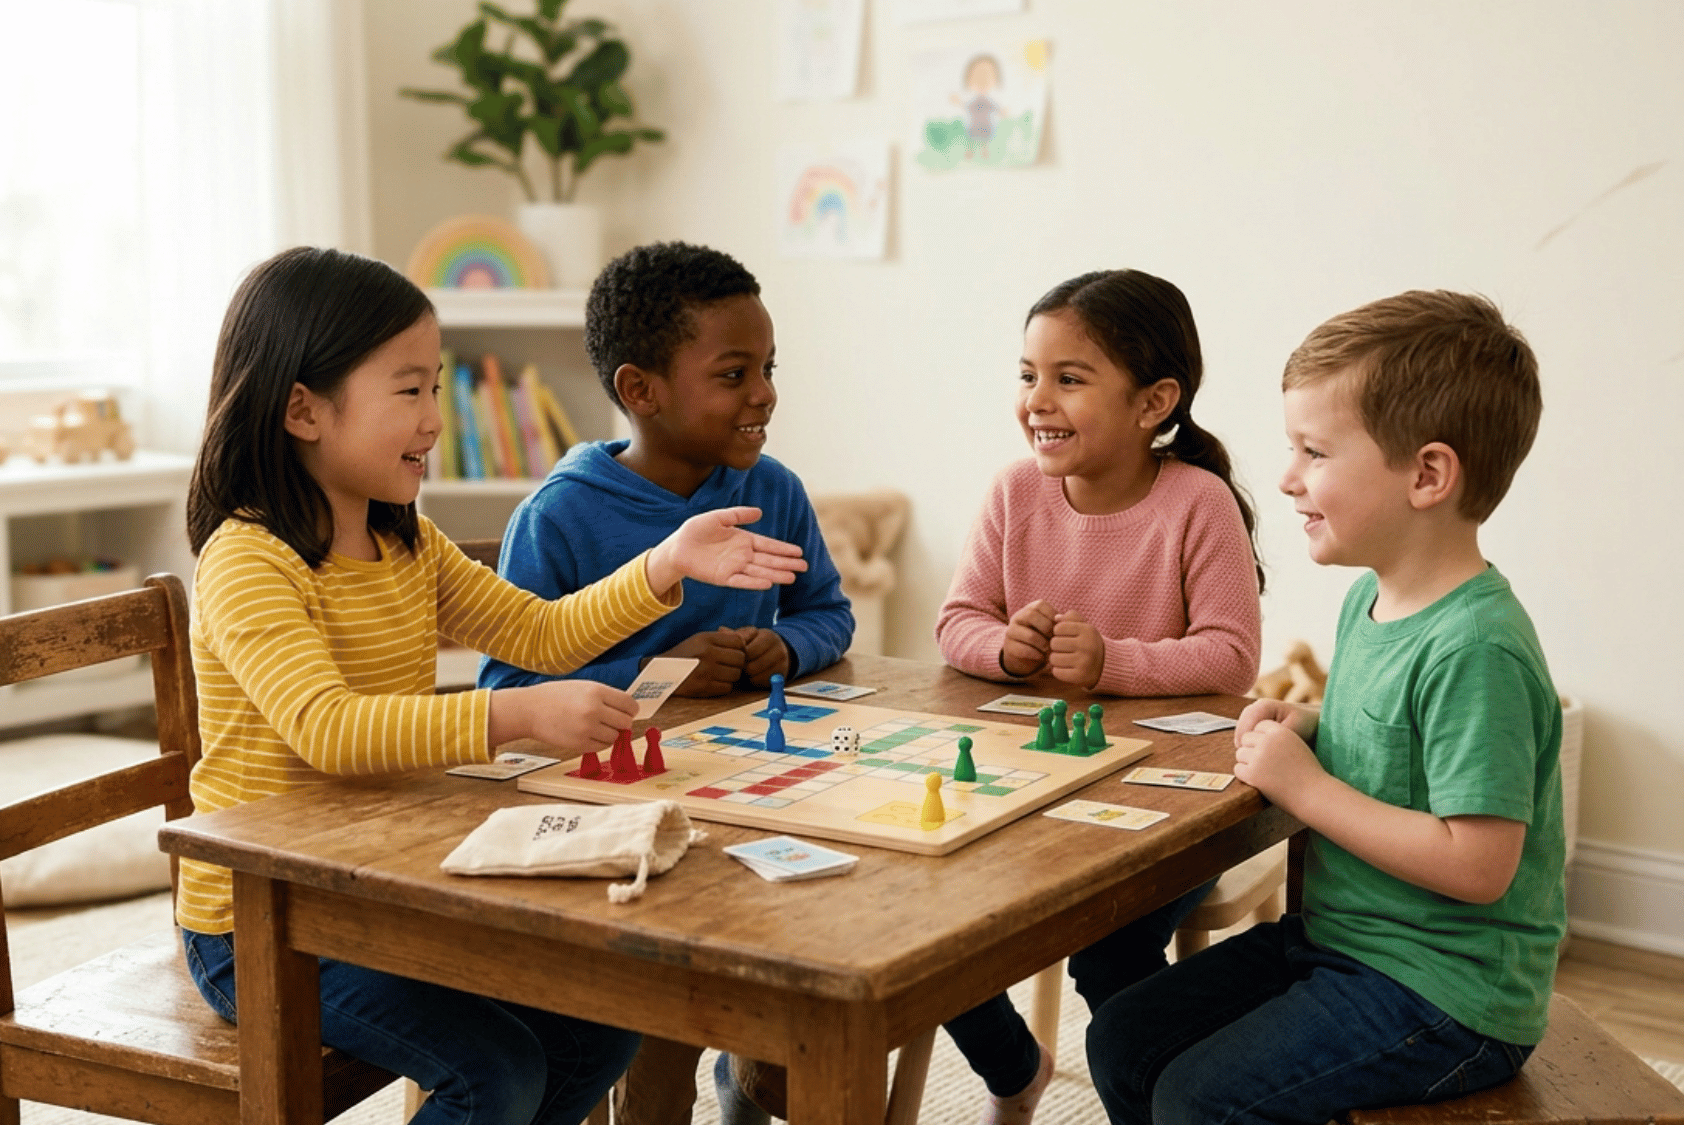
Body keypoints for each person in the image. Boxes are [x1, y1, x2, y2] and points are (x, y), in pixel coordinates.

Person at [174, 246, 809, 1125]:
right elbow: (326, 728)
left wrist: (665, 561)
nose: (435, 418)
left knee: (601, 1025)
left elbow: (540, 631)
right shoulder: (250, 558)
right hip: (261, 923)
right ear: (303, 409)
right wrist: (515, 715)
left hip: (372, 885)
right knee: (495, 1072)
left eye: (437, 387)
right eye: (409, 390)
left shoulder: (408, 544)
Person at [1087, 290, 1565, 1125]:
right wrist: (1313, 726)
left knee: (1200, 1099)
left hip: (1447, 992)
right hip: (1344, 943)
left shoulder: (1476, 647)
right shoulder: (1369, 603)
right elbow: (1396, 757)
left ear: (1427, 474)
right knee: (1125, 1037)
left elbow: (1478, 863)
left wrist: (1307, 788)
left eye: (1314, 450)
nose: (1286, 477)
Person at [480, 241, 855, 1125]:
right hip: (621, 809)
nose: (763, 391)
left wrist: (784, 649)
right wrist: (663, 681)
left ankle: (760, 1073)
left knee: (825, 951)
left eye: (768, 367)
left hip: (756, 788)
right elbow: (509, 679)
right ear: (641, 389)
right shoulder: (561, 513)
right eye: (733, 373)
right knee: (662, 1012)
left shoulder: (773, 489)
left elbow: (829, 612)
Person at [934, 269, 1264, 1125]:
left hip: (1166, 799)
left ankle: (1170, 1106)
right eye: (1027, 374)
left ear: (1156, 402)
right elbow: (957, 620)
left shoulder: (1199, 502)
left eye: (1069, 378)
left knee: (1110, 951)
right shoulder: (1015, 492)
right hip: (1032, 783)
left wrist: (1112, 659)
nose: (1038, 399)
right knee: (926, 927)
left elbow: (1232, 657)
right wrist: (1004, 650)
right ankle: (1014, 1068)